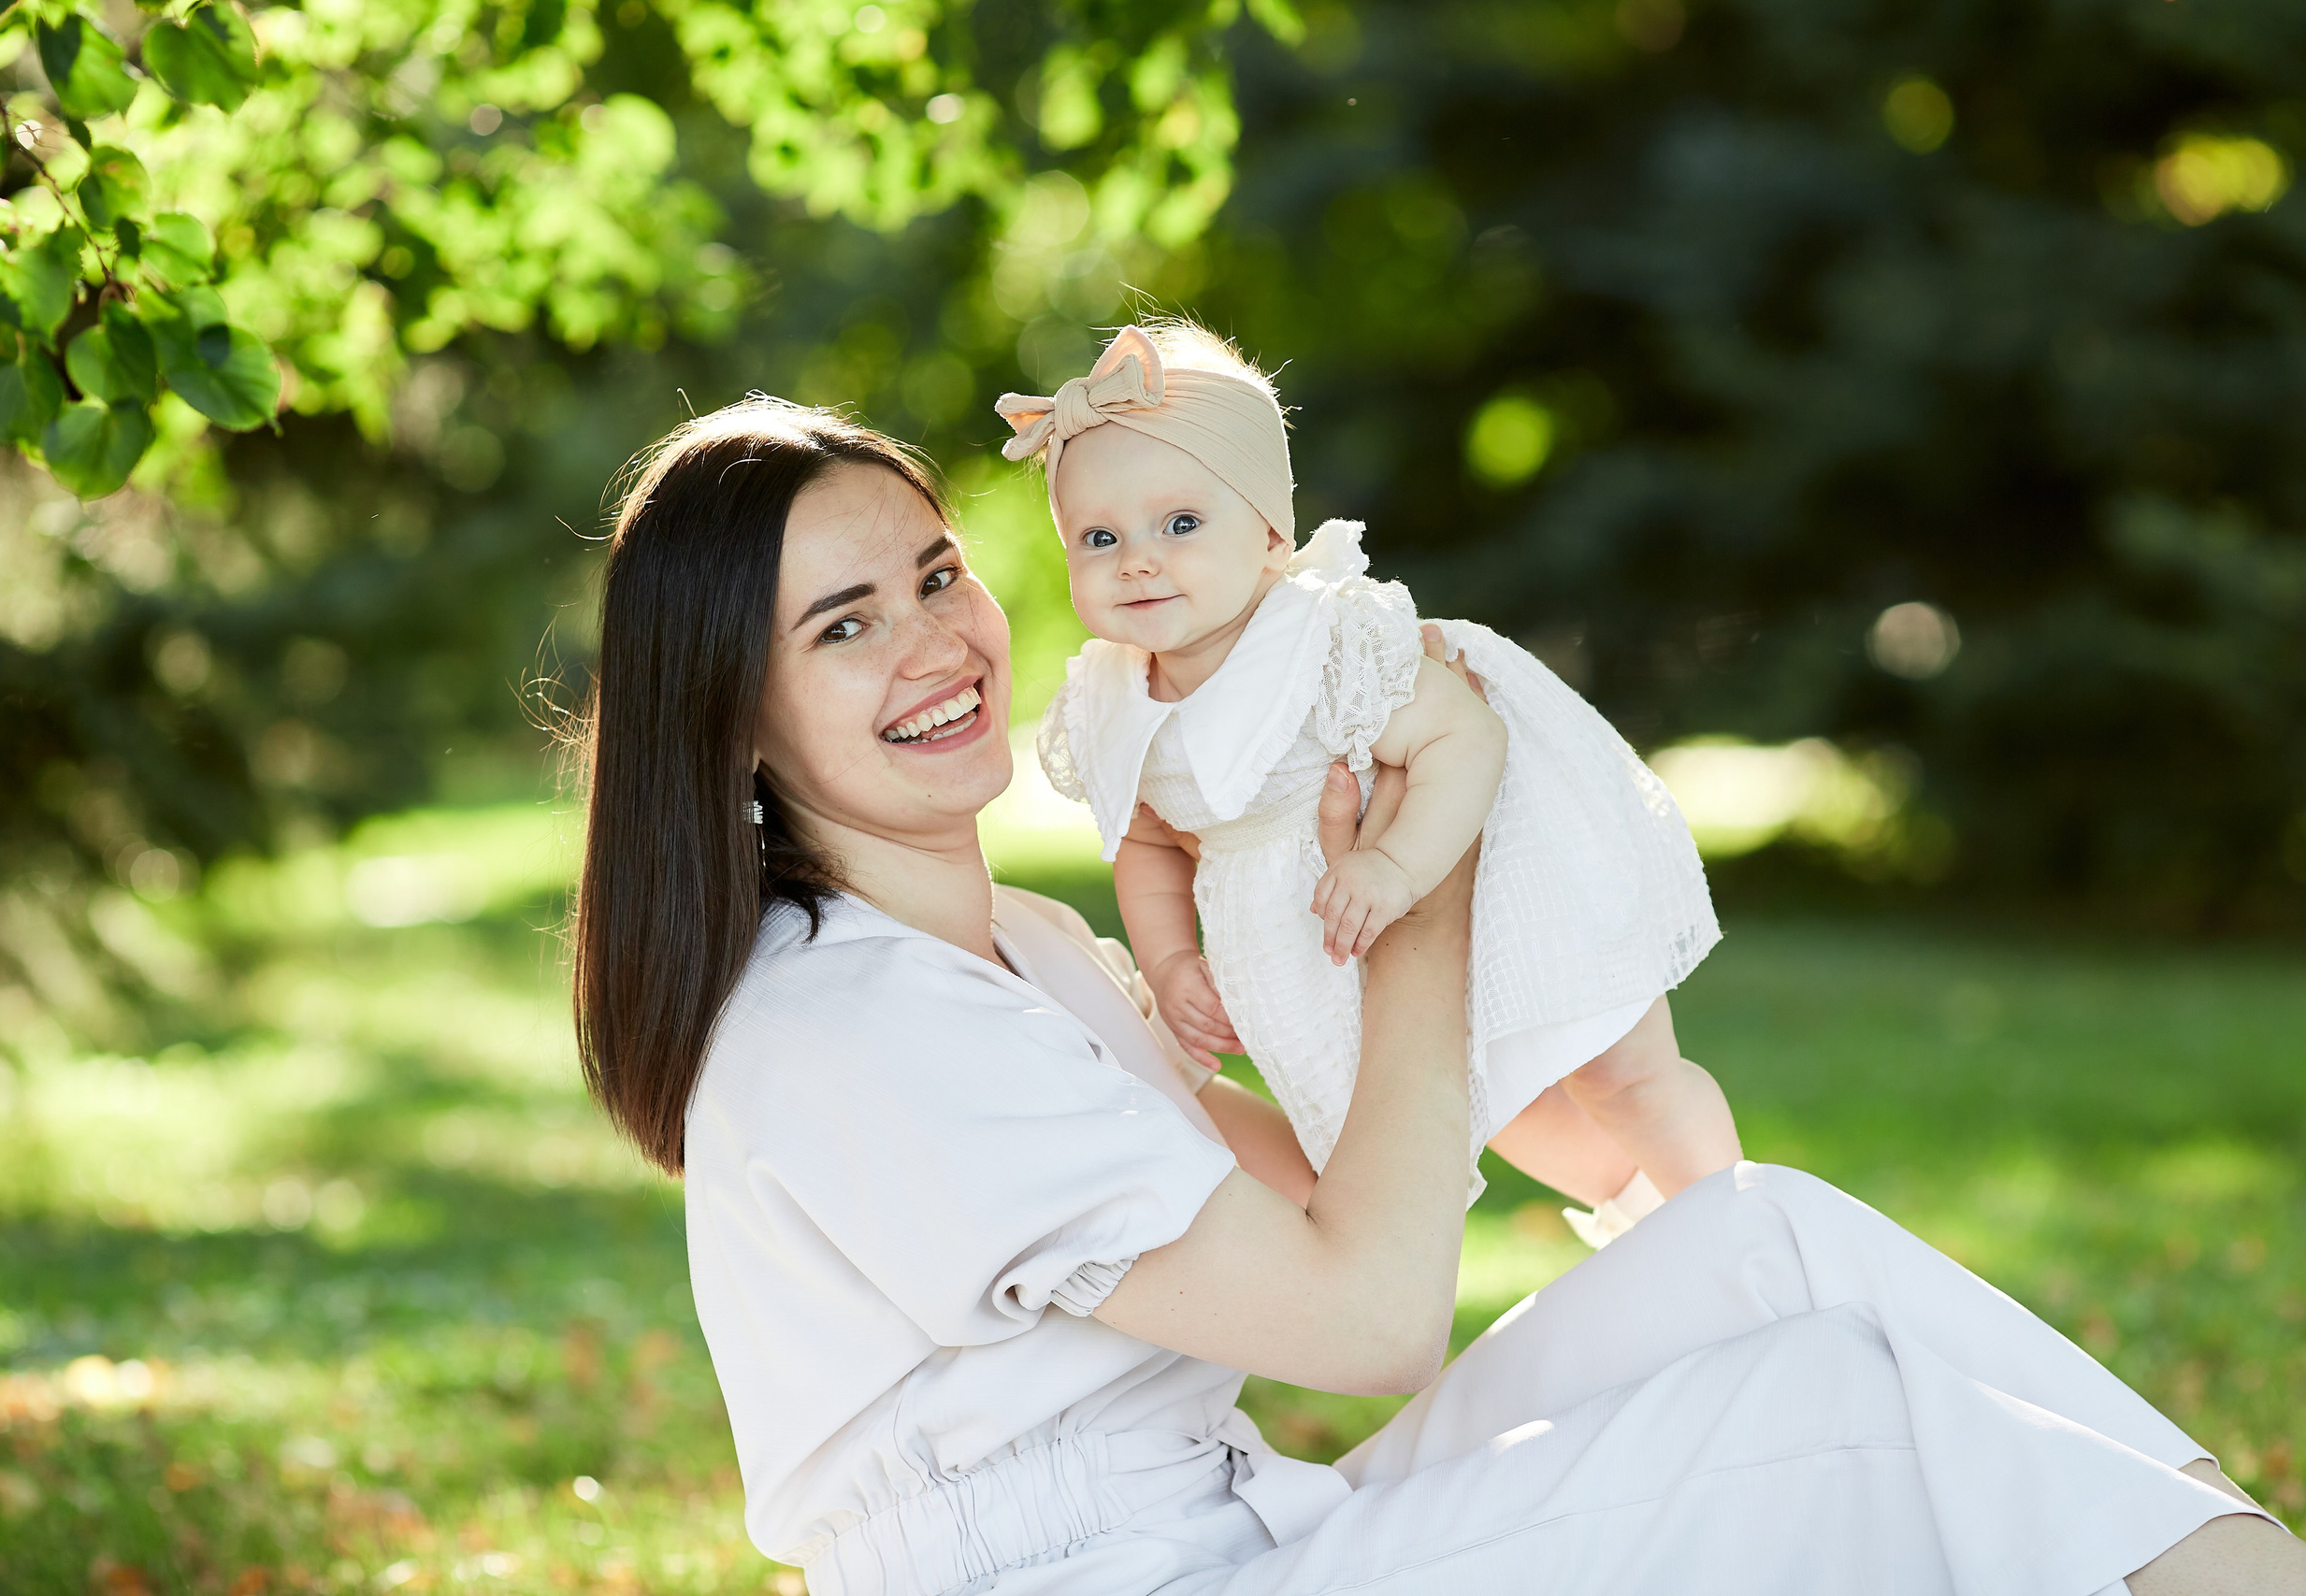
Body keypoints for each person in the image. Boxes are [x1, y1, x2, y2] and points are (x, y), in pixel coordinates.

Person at [569, 398, 2302, 1596]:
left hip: (1253, 1529)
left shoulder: (1022, 949)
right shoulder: (856, 1028)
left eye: (937, 576)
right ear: (733, 714)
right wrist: (1428, 868)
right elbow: (1373, 1318)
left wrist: (1517, 992)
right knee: (1834, 1401)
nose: (938, 644)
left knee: (1765, 1245)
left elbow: (1330, 1183)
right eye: (844, 627)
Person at [1000, 321, 1730, 1235]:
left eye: (1179, 523)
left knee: (1616, 1068)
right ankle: (1653, 1225)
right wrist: (1171, 957)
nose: (1136, 557)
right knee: (1502, 1117)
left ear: (1271, 534)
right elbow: (1145, 841)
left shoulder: (1326, 640)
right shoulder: (1113, 699)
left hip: (1492, 855)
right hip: (1327, 941)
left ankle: (1742, 1224)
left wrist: (1396, 869)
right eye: (1097, 537)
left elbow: (1463, 739)